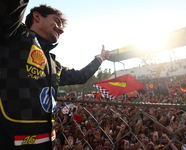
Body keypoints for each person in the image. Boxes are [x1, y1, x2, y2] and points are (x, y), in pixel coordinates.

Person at [0, 1, 110, 150]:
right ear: (37, 16)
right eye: (56, 21)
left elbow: (81, 76)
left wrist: (100, 59)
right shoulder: (12, 35)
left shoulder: (54, 65)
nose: (62, 30)